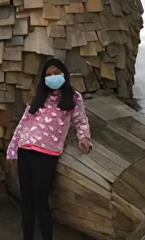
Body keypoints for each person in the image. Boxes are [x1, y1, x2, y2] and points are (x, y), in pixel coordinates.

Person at [6, 58, 93, 240]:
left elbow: (81, 120)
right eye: (48, 75)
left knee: (41, 202)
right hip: (26, 149)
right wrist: (14, 146)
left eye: (56, 73)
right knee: (27, 202)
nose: (52, 77)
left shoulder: (74, 97)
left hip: (47, 153)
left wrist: (83, 137)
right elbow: (24, 121)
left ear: (64, 74)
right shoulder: (39, 96)